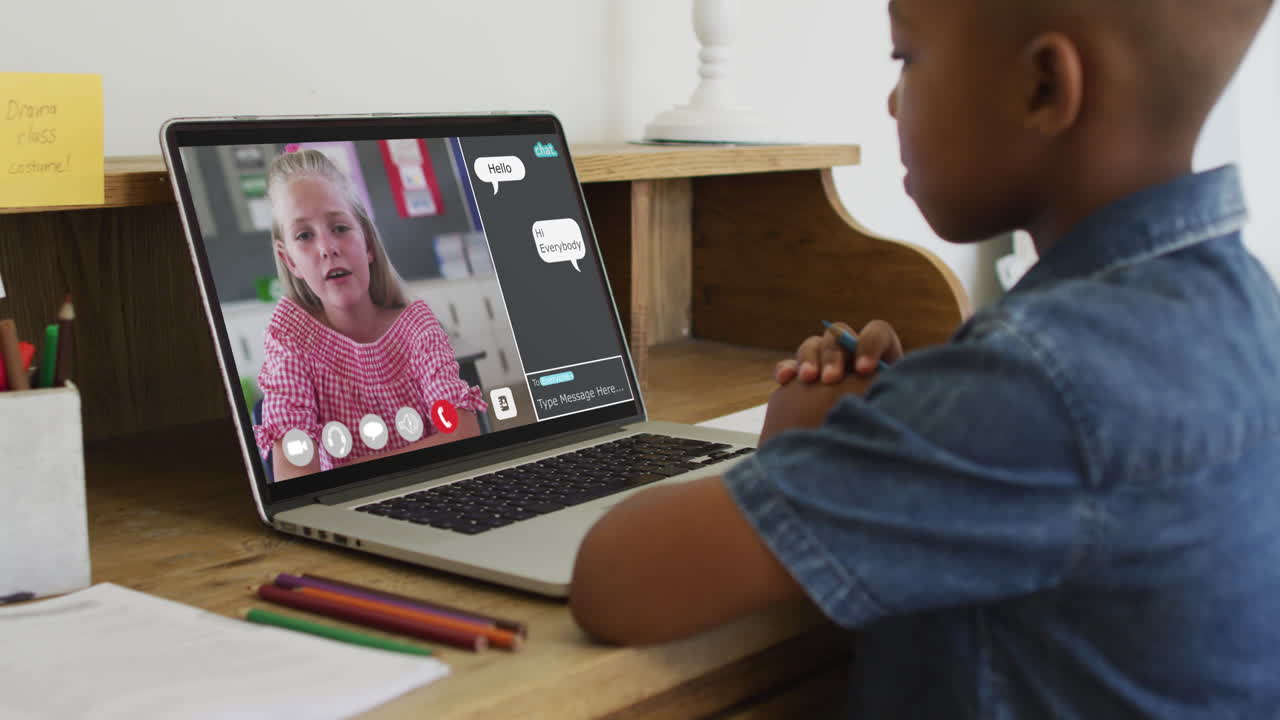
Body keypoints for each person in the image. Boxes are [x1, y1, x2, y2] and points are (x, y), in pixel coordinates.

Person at [569, 0, 1280, 717]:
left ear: (1043, 86)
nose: (889, 100)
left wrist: (808, 449)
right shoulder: (1246, 308)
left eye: (905, 60)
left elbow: (616, 581)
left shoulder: (1036, 383)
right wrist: (912, 420)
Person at [253, 148, 485, 482]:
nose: (327, 248)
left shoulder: (416, 327)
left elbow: (461, 433)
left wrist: (346, 471)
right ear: (289, 260)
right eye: (304, 235)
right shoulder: (289, 338)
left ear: (368, 243)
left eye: (340, 228)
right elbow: (294, 474)